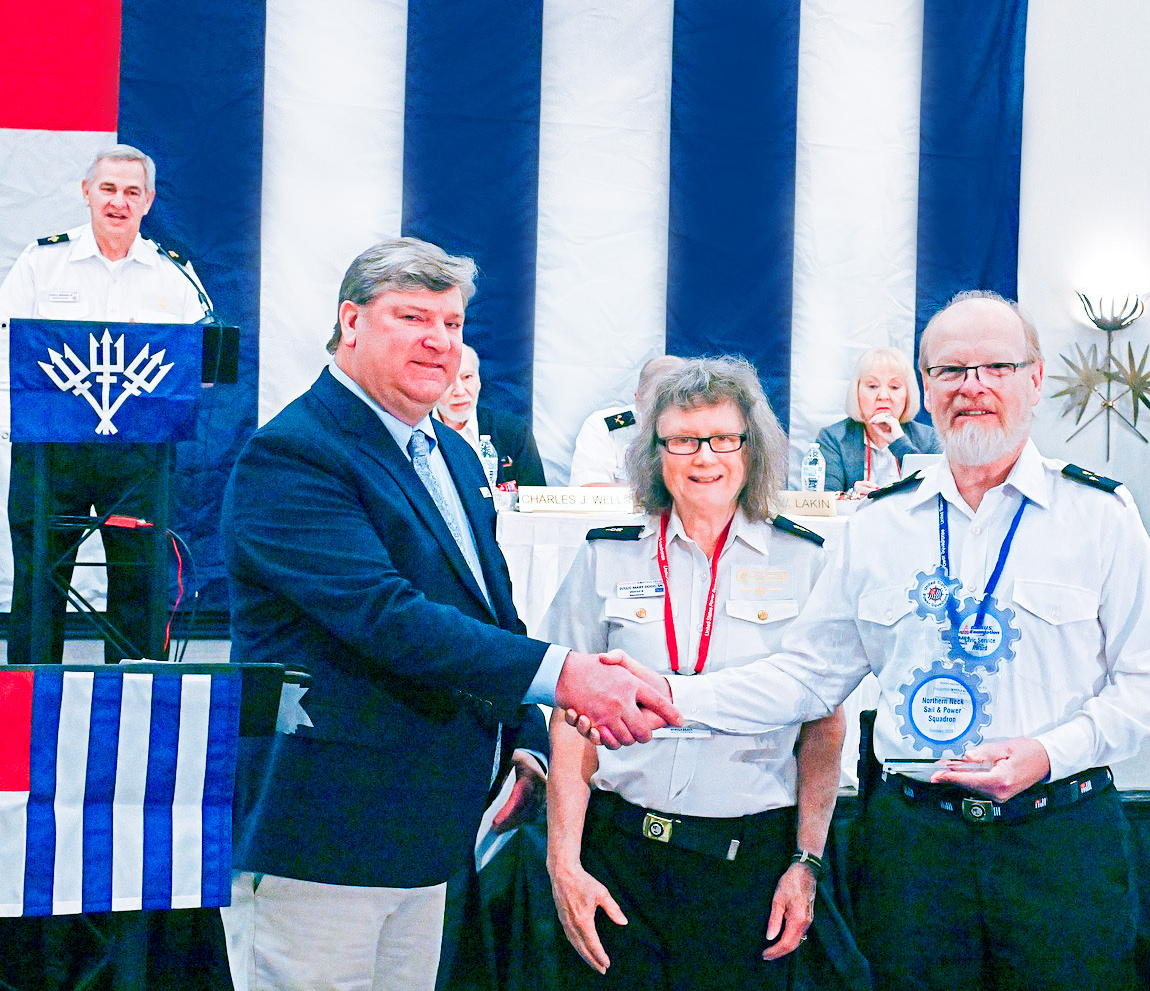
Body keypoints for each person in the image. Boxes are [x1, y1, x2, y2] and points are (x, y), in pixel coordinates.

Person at [586, 292, 1150, 990]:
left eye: (996, 367)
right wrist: (668, 694)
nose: (973, 387)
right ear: (924, 390)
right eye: (950, 371)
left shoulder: (1098, 515)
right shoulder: (878, 525)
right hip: (916, 852)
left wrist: (1051, 752)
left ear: (1035, 379)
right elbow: (807, 679)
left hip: (1057, 836)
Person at [219, 237, 677, 991]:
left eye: (453, 323)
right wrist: (566, 677)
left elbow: (491, 611)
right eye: (412, 317)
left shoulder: (456, 457)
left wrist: (526, 741)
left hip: (432, 830)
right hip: (324, 832)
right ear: (352, 322)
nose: (438, 340)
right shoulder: (293, 455)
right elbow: (386, 615)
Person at [544, 357, 844, 989]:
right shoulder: (608, 552)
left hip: (749, 867)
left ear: (751, 447)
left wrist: (806, 862)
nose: (703, 456)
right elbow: (569, 716)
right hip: (621, 856)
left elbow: (824, 726)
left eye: (722, 438)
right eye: (681, 440)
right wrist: (564, 860)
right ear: (655, 454)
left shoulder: (806, 559)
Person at [0, 144, 208, 663]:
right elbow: (7, 350)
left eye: (132, 192)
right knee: (40, 577)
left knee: (138, 582)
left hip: (138, 458)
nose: (119, 201)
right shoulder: (41, 262)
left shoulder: (173, 274)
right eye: (109, 188)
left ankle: (132, 699)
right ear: (87, 192)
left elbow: (204, 364)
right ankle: (31, 693)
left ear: (148, 201)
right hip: (50, 450)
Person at [814, 346, 940, 496]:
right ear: (857, 392)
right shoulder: (833, 438)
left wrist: (899, 442)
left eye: (894, 387)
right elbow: (823, 499)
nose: (883, 396)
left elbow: (935, 492)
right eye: (872, 386)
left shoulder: (930, 437)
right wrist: (851, 495)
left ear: (908, 394)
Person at [436, 343, 548, 487]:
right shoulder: (417, 432)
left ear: (479, 381)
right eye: (449, 380)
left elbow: (535, 499)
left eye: (467, 377)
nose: (460, 391)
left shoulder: (512, 431)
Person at [568, 355, 683, 486]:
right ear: (637, 399)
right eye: (656, 408)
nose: (665, 418)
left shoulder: (706, 431)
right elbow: (588, 492)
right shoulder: (604, 426)